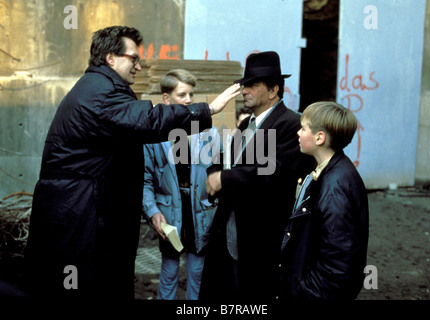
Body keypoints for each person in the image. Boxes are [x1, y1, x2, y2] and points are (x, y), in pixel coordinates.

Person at [24, 26, 240, 299]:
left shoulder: (100, 88)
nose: (139, 66)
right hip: (82, 216)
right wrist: (206, 109)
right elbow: (150, 121)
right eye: (134, 58)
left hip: (83, 210)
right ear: (111, 58)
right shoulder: (102, 93)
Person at [199, 51, 314, 300]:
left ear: (273, 90)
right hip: (231, 229)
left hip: (261, 238)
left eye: (252, 85)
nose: (244, 91)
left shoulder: (290, 124)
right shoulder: (245, 125)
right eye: (243, 85)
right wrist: (214, 172)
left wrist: (224, 179)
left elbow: (273, 171)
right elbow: (227, 160)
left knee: (255, 293)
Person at [278, 101, 369, 300]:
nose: (298, 133)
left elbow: (337, 263)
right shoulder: (327, 171)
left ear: (320, 138)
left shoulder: (335, 186)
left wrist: (304, 293)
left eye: (303, 129)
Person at [143, 69, 220, 300]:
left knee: (198, 272)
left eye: (191, 95)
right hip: (169, 215)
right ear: (166, 99)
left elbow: (218, 173)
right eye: (182, 95)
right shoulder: (152, 136)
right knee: (168, 273)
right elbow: (145, 179)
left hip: (200, 215)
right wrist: (153, 211)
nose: (188, 100)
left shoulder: (209, 131)